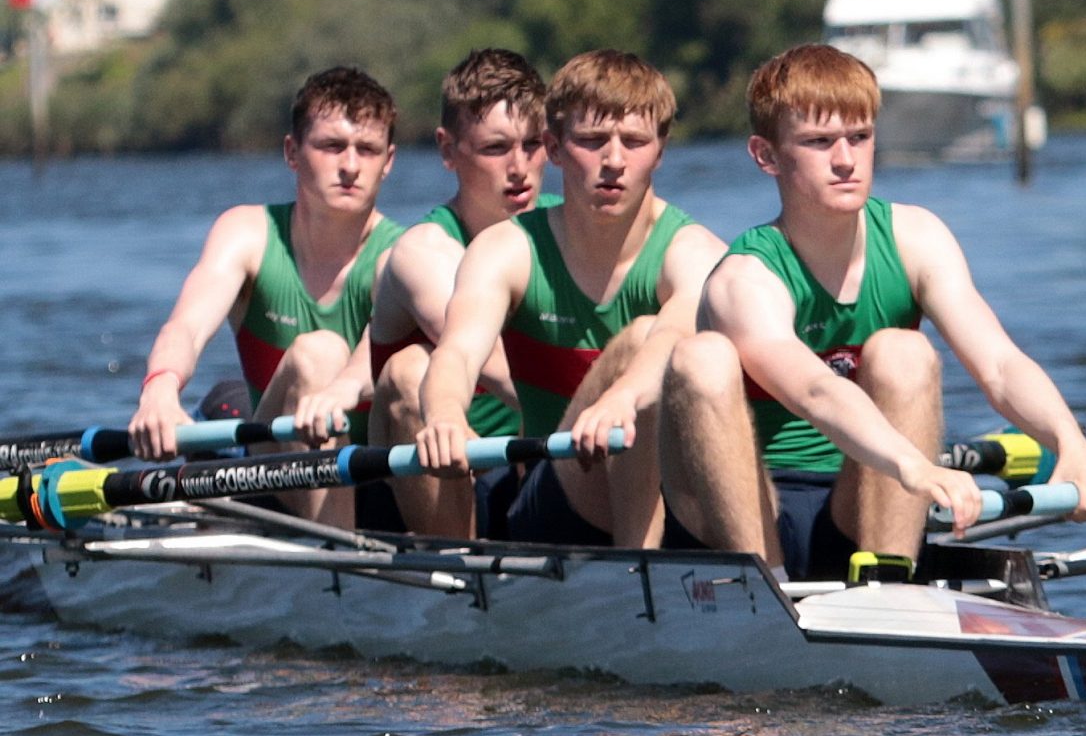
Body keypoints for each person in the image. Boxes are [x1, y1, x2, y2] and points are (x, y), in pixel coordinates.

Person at [657, 43, 1086, 583]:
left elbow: (999, 365)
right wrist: (914, 466)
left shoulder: (916, 238)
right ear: (767, 156)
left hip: (858, 501)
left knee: (904, 350)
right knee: (702, 358)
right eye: (819, 142)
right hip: (737, 511)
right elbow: (815, 390)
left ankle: (891, 580)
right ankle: (764, 590)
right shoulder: (745, 277)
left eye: (859, 137)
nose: (845, 160)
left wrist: (1070, 443)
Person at [415, 49, 726, 548]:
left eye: (634, 142)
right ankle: (638, 571)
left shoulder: (695, 250)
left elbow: (677, 328)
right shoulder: (506, 249)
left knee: (665, 345)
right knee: (640, 336)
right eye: (593, 140)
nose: (614, 161)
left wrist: (623, 397)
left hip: (675, 492)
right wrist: (445, 415)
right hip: (557, 496)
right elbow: (457, 354)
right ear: (554, 148)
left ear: (660, 151)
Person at [128, 66, 404, 527]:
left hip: (372, 472)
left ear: (388, 161)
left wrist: (339, 391)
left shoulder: (401, 253)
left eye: (368, 150)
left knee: (328, 354)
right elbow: (187, 327)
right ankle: (333, 547)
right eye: (332, 146)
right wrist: (159, 389)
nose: (351, 166)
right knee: (318, 354)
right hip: (273, 464)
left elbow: (375, 353)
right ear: (292, 152)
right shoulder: (247, 233)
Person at [369, 49, 554, 537]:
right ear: (448, 150)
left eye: (533, 144)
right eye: (496, 148)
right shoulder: (424, 250)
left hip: (530, 461)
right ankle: (454, 564)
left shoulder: (568, 223)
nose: (520, 167)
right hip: (431, 474)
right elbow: (513, 379)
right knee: (411, 369)